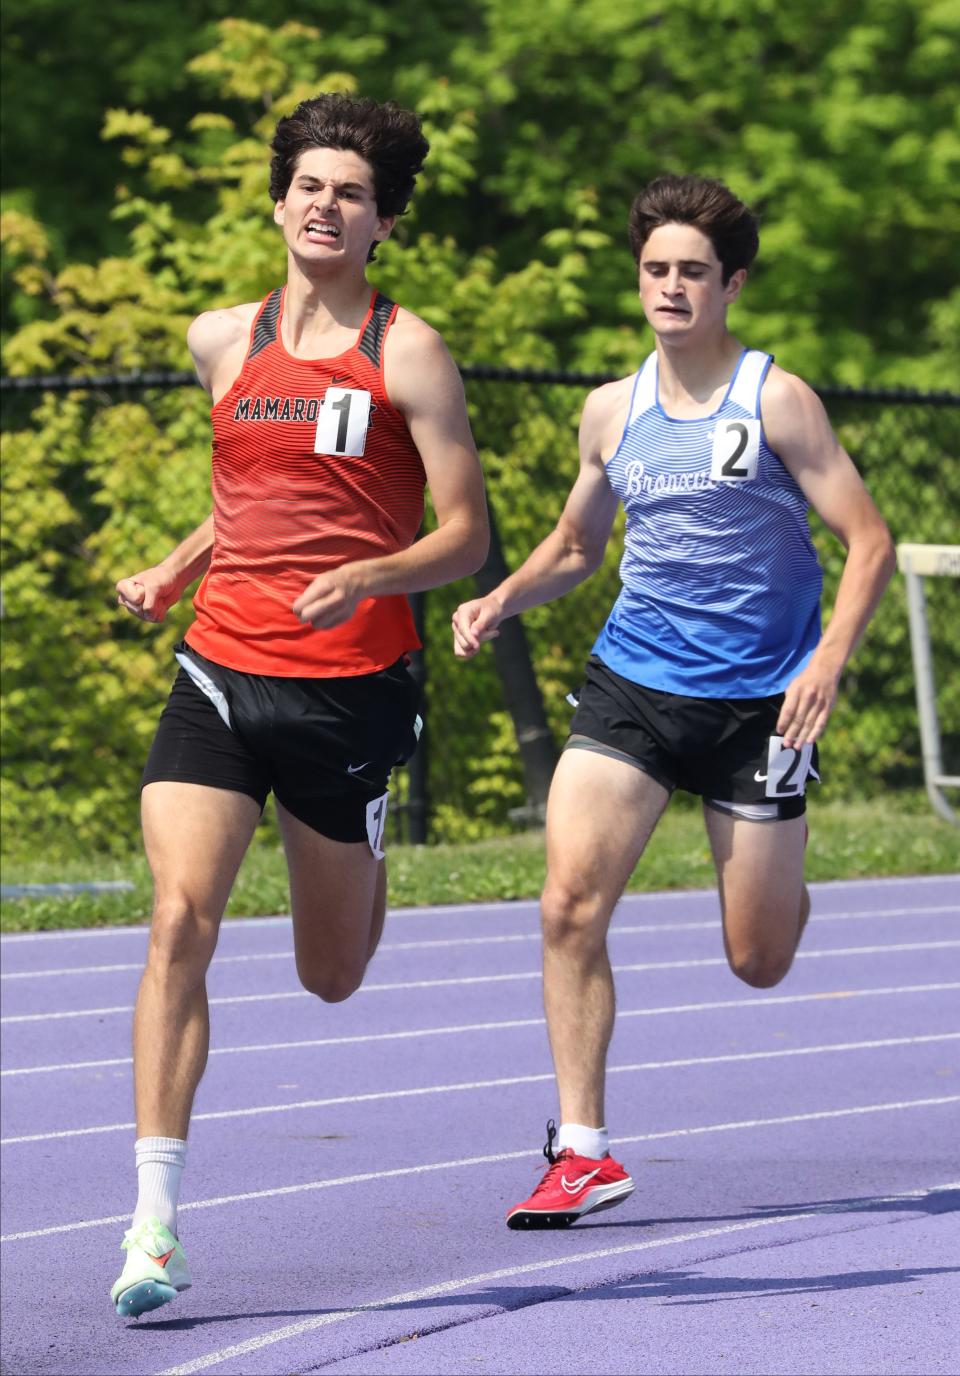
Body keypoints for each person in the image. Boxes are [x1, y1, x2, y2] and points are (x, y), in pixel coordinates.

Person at [452, 173, 895, 1229]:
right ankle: (583, 1149)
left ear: (730, 283)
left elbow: (867, 540)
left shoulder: (775, 399)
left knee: (760, 957)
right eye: (656, 269)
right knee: (568, 903)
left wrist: (827, 656)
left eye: (694, 270)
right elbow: (575, 545)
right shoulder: (612, 408)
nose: (672, 286)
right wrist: (505, 597)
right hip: (635, 687)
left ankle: (780, 880)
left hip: (759, 707)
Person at [111, 93, 489, 1316]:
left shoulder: (408, 350)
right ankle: (154, 1222)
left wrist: (374, 574)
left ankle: (367, 833)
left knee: (333, 973)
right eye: (311, 186)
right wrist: (183, 562)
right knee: (180, 918)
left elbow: (468, 536)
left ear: (384, 221)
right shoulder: (221, 337)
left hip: (347, 695)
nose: (328, 206)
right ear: (280, 201)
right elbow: (249, 496)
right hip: (220, 673)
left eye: (354, 193)